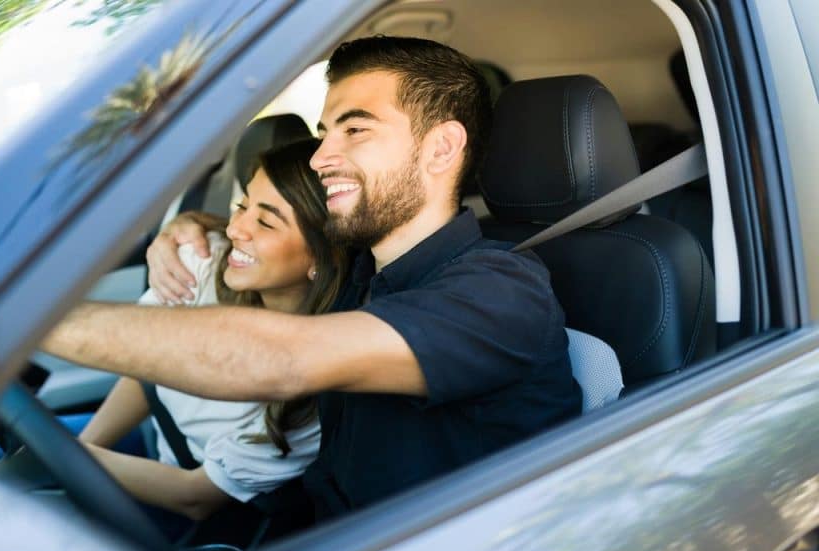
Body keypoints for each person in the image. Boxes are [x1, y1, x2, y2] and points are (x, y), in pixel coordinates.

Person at [44, 36, 583, 520]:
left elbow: (279, 360)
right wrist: (192, 227)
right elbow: (274, 246)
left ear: (441, 148)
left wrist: (29, 322)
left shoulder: (501, 291)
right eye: (326, 133)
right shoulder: (358, 271)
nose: (322, 157)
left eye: (355, 130)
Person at [72, 138, 347, 533]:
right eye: (242, 206)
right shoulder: (202, 263)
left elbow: (193, 497)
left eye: (266, 222)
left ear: (320, 258)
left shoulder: (314, 397)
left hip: (183, 509)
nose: (235, 228)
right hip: (140, 445)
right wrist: (86, 445)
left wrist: (75, 460)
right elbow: (146, 367)